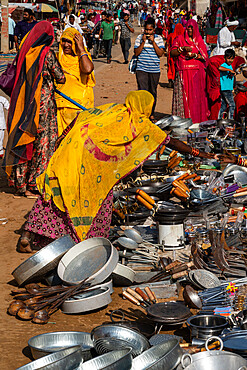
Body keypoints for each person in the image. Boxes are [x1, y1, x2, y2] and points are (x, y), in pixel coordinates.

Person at [19, 90, 213, 252]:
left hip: (71, 151)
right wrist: (198, 153)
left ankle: (29, 234)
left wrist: (63, 141)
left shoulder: (111, 109)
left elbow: (81, 117)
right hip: (94, 166)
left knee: (58, 192)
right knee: (95, 201)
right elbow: (172, 142)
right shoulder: (142, 124)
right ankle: (83, 243)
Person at [3, 21, 65, 199]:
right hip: (42, 106)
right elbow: (60, 78)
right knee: (43, 144)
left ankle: (19, 184)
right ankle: (34, 184)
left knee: (23, 140)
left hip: (24, 105)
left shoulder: (25, 52)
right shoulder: (46, 54)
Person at [55, 28, 95, 136]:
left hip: (78, 108)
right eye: (64, 41)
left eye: (70, 41)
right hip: (60, 107)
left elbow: (87, 69)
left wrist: (81, 49)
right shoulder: (57, 58)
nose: (66, 45)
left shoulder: (83, 58)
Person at [170, 19, 208, 123]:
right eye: (188, 27)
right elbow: (172, 53)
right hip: (183, 73)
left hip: (197, 74)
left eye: (192, 27)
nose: (189, 29)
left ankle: (197, 121)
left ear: (196, 28)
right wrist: (181, 49)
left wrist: (194, 55)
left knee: (196, 99)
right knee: (186, 100)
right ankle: (183, 122)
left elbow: (205, 57)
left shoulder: (199, 41)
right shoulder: (179, 39)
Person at [134, 17, 165, 121]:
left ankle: (151, 113)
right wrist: (143, 43)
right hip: (141, 68)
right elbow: (136, 52)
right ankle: (143, 113)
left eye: (150, 30)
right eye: (146, 30)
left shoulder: (159, 38)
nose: (148, 32)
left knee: (152, 92)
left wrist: (153, 43)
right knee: (143, 92)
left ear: (154, 30)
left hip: (154, 70)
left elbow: (160, 53)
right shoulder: (139, 38)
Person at [206, 54, 245, 120]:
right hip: (216, 78)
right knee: (220, 103)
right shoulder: (219, 63)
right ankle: (218, 120)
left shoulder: (233, 62)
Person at [218, 49, 236, 119]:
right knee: (232, 105)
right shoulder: (224, 65)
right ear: (225, 58)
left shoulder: (230, 66)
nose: (230, 60)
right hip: (226, 88)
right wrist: (229, 70)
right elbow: (219, 68)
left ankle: (219, 119)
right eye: (228, 58)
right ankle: (230, 119)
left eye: (232, 59)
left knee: (224, 105)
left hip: (228, 88)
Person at [166, 23, 184, 88]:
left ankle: (170, 80)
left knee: (170, 67)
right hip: (180, 55)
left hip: (171, 54)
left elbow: (167, 43)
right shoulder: (183, 37)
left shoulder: (171, 35)